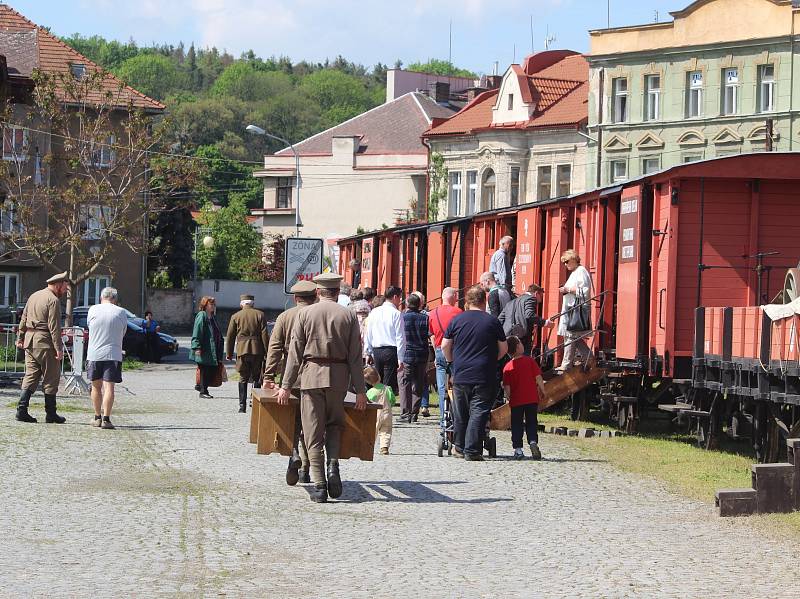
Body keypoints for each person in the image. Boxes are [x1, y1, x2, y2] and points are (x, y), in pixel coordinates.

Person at [278, 272, 368, 503]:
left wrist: (286, 385)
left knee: (312, 431)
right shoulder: (347, 315)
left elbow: (295, 353)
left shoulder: (306, 313)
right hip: (338, 379)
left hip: (310, 378)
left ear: (318, 291)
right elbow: (356, 357)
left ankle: (319, 485)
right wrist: (360, 390)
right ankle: (333, 467)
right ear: (337, 292)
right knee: (335, 425)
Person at [441, 285, 507, 461]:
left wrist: (450, 361)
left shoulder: (457, 320)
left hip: (461, 373)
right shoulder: (492, 321)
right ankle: (472, 450)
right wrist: (493, 359)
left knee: (461, 413)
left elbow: (445, 345)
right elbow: (503, 348)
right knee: (479, 411)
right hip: (485, 373)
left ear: (467, 302)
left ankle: (459, 447)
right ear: (484, 301)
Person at [264, 280, 317, 486]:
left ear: (295, 298)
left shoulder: (284, 317)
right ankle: (306, 468)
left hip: (291, 376)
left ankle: (292, 454)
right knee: (312, 423)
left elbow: (274, 348)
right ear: (315, 297)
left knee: (292, 419)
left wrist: (269, 376)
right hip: (316, 376)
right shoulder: (317, 316)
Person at [14, 272, 70, 424]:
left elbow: (24, 318)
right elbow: (54, 327)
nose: (65, 290)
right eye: (65, 287)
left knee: (31, 375)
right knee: (51, 377)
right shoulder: (53, 300)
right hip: (45, 343)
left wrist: (20, 338)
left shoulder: (34, 296)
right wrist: (59, 348)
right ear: (58, 284)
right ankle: (51, 413)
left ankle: (21, 410)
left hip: (30, 342)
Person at [86, 287, 129, 430]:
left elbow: (89, 326)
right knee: (109, 387)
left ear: (101, 297)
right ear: (115, 299)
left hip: (94, 354)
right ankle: (106, 419)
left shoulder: (92, 310)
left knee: (95, 387)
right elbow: (123, 332)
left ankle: (97, 417)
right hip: (113, 354)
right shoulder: (121, 312)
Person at [502, 335, 546, 460]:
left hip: (516, 401)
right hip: (531, 398)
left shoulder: (507, 367)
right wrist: (542, 390)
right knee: (532, 422)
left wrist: (510, 397)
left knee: (516, 424)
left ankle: (518, 449)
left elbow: (507, 387)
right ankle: (533, 442)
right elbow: (538, 378)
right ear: (517, 347)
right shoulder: (530, 361)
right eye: (520, 343)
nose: (522, 344)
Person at [226, 294, 270, 413]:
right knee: (256, 377)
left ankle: (242, 406)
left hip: (242, 351)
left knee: (243, 377)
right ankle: (254, 402)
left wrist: (229, 353)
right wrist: (268, 352)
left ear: (241, 304)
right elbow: (265, 335)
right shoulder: (260, 315)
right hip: (257, 350)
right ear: (252, 303)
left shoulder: (235, 316)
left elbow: (230, 336)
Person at [552, 249, 593, 371]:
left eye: (566, 261)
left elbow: (584, 291)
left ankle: (566, 364)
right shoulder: (576, 271)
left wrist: (567, 289)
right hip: (572, 309)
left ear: (574, 260)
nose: (565, 265)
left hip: (575, 309)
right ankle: (589, 357)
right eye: (564, 262)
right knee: (574, 336)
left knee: (570, 336)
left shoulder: (581, 271)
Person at [428, 287, 462, 427]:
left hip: (439, 350)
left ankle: (443, 420)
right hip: (455, 351)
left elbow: (431, 334)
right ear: (453, 296)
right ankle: (457, 418)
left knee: (441, 387)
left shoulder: (432, 313)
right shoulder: (458, 312)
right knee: (457, 386)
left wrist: (436, 351)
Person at [364, 286, 404, 395]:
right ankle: (385, 407)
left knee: (377, 382)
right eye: (400, 298)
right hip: (390, 350)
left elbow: (369, 333)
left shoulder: (374, 312)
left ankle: (378, 406)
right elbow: (400, 337)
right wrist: (401, 357)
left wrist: (368, 352)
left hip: (377, 350)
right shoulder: (396, 313)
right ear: (395, 297)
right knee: (388, 384)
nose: (400, 300)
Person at [499, 283, 552, 355]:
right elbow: (529, 315)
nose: (541, 300)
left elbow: (500, 320)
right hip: (522, 337)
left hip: (507, 336)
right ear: (536, 293)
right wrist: (545, 322)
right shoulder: (531, 298)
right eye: (541, 296)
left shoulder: (511, 302)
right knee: (523, 361)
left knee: (510, 362)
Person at [399, 293, 428, 423]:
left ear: (406, 304)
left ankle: (405, 412)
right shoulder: (425, 318)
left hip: (407, 354)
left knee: (406, 382)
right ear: (420, 304)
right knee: (418, 383)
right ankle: (414, 412)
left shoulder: (403, 318)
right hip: (422, 353)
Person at [192, 296, 224, 399]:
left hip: (211, 349)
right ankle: (203, 391)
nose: (213, 306)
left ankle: (200, 386)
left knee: (210, 369)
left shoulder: (212, 317)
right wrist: (197, 347)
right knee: (205, 369)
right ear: (205, 305)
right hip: (204, 348)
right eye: (211, 304)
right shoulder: (202, 315)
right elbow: (197, 332)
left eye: (214, 304)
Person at [364, 366, 396, 455]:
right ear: (379, 376)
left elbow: (368, 404)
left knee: (372, 431)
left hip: (375, 415)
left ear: (368, 382)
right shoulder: (388, 388)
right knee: (386, 430)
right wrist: (391, 404)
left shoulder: (370, 392)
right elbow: (392, 400)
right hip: (387, 413)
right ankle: (384, 447)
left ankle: (368, 446)